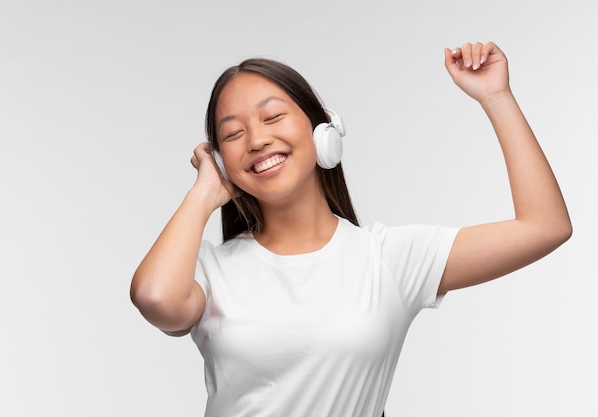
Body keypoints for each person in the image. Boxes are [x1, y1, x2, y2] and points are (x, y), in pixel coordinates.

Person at [130, 41, 572, 417]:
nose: (257, 140)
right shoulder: (209, 269)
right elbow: (155, 298)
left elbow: (544, 226)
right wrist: (205, 192)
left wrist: (497, 97)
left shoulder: (389, 259)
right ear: (223, 161)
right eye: (233, 134)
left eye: (272, 117)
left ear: (324, 130)